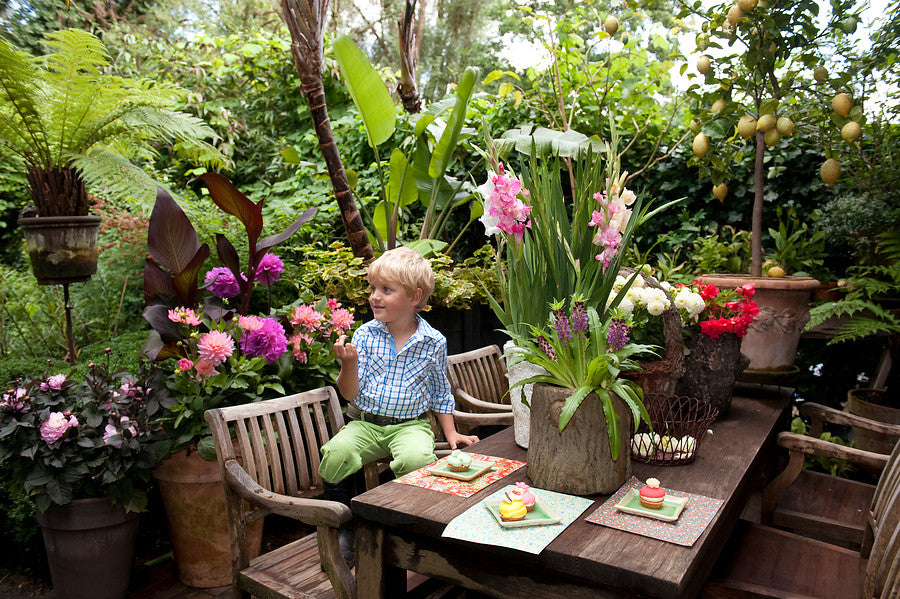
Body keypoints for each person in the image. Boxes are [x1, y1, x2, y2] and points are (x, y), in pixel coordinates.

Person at [319, 247, 479, 561]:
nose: (375, 296)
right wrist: (348, 365)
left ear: (414, 297)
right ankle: (344, 527)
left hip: (410, 425)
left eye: (386, 290)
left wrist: (451, 433)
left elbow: (439, 391)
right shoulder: (365, 336)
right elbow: (349, 394)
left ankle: (400, 524)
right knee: (336, 453)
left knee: (416, 459)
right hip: (365, 423)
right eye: (373, 288)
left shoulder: (433, 341)